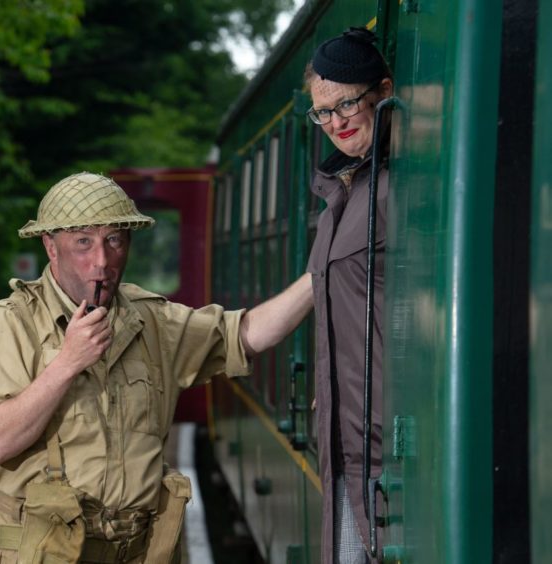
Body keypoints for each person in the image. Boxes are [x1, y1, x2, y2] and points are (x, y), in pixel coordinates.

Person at [0, 171, 311, 564]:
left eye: (114, 240)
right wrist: (67, 362)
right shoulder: (9, 325)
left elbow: (247, 334)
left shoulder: (152, 321)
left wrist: (318, 276)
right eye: (82, 242)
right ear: (50, 247)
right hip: (43, 550)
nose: (102, 261)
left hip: (140, 551)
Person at [244, 27, 394, 564]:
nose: (336, 121)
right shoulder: (343, 191)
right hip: (344, 440)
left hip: (386, 452)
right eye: (322, 112)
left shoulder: (399, 184)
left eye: (348, 102)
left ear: (383, 91)